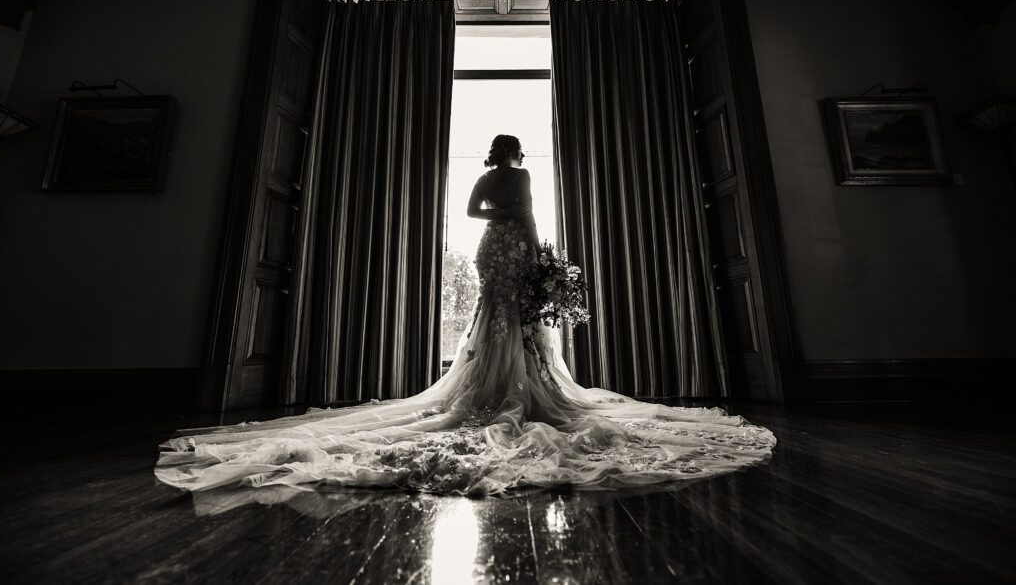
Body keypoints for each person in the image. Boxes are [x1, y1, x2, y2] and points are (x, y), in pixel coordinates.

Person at [155, 135, 776, 496]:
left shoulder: (486, 181)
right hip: (514, 245)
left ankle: (495, 384)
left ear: (494, 154)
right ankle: (516, 385)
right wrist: (534, 249)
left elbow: (477, 212)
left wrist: (499, 223)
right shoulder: (524, 177)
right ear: (516, 153)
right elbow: (526, 214)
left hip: (490, 247)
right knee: (519, 316)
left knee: (499, 313)